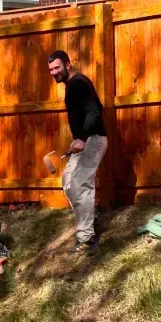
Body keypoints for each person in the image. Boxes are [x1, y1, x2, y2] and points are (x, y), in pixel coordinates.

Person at [47, 50, 108, 254]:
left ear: (67, 64)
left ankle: (87, 238)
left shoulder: (78, 83)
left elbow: (94, 111)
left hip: (93, 140)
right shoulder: (72, 85)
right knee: (68, 181)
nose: (54, 72)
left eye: (57, 68)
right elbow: (98, 106)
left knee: (79, 183)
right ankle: (89, 216)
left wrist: (83, 137)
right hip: (85, 139)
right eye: (51, 70)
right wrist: (79, 137)